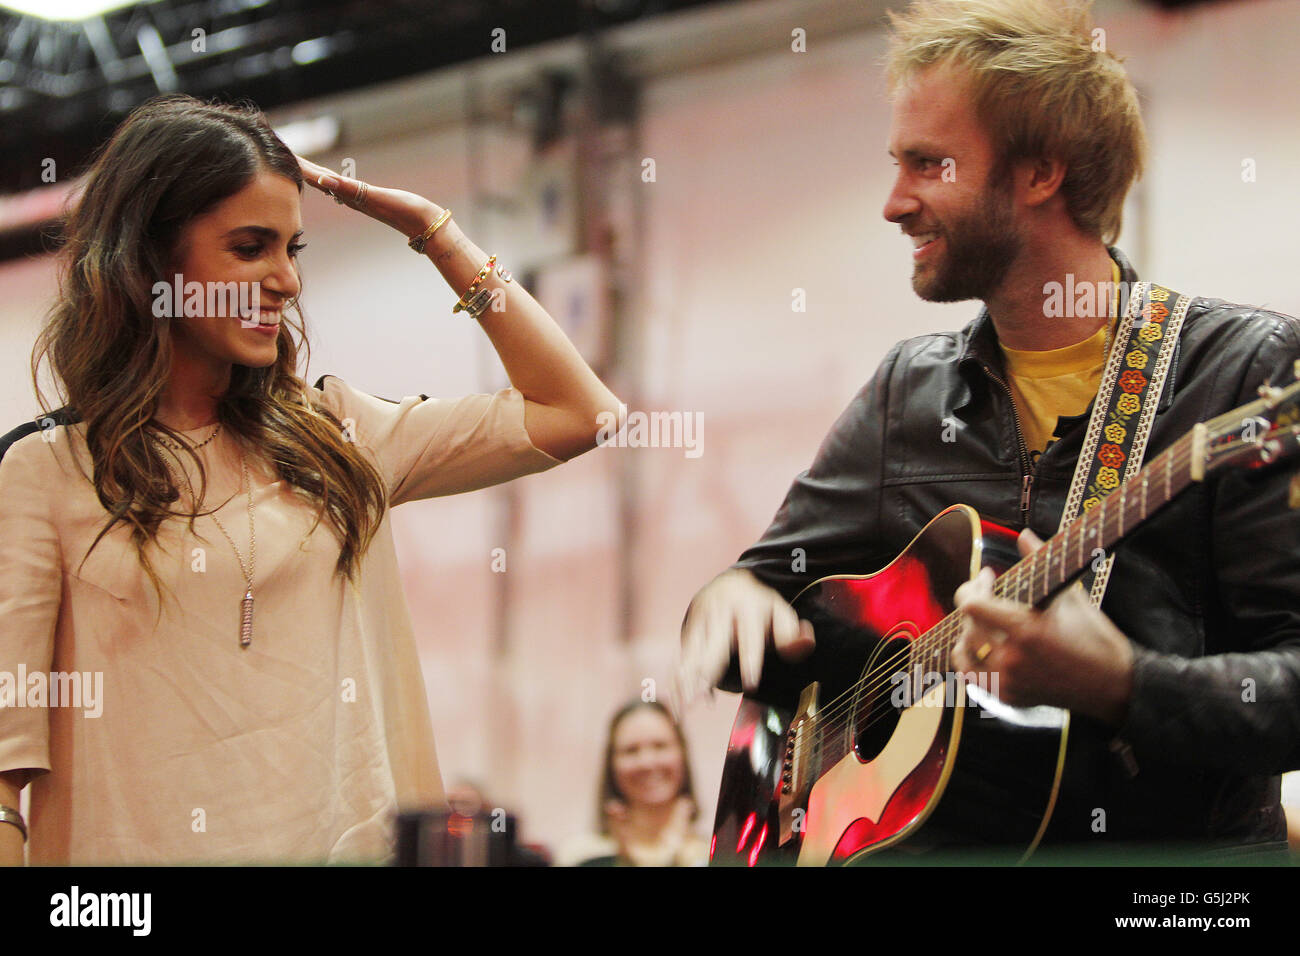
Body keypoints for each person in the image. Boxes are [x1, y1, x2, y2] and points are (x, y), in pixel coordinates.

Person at [678, 0, 1300, 855]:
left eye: (928, 165)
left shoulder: (1241, 374)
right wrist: (730, 598)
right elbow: (769, 582)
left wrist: (1123, 683)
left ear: (1040, 173)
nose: (894, 204)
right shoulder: (909, 389)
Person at [0, 94, 620, 865]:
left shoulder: (339, 435)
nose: (286, 280)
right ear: (154, 259)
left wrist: (436, 234)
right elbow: (5, 767)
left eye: (293, 250)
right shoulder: (44, 473)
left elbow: (580, 412)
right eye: (251, 247)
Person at [558, 700, 708, 866]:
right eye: (631, 750)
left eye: (660, 746)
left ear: (682, 754)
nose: (647, 762)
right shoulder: (581, 856)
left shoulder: (713, 855)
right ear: (611, 764)